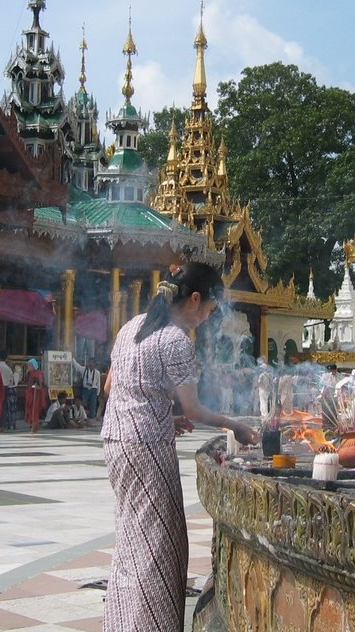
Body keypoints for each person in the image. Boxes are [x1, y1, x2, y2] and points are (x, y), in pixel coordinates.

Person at [101, 262, 258, 631]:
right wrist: (236, 425)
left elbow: (112, 388)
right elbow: (194, 409)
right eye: (207, 310)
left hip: (116, 442)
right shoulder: (173, 340)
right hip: (147, 449)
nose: (205, 319)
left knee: (131, 539)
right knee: (159, 545)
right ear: (195, 299)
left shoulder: (131, 327)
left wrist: (161, 416)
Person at [24, 357, 48, 433]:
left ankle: (34, 427)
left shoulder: (38, 373)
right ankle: (34, 425)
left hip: (36, 395)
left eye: (29, 365)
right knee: (30, 410)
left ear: (33, 365)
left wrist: (37, 387)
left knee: (35, 411)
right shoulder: (29, 373)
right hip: (30, 394)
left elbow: (41, 385)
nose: (28, 367)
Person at [0, 350, 19, 431]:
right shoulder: (8, 369)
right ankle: (2, 425)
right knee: (3, 407)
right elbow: (11, 381)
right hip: (6, 388)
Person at [82, 357, 101, 421]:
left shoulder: (97, 372)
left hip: (93, 389)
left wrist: (98, 393)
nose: (91, 364)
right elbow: (77, 366)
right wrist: (72, 359)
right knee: (83, 402)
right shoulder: (84, 370)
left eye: (93, 362)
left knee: (93, 404)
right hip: (85, 388)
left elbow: (98, 383)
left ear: (95, 364)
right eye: (90, 362)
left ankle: (92, 417)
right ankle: (83, 416)